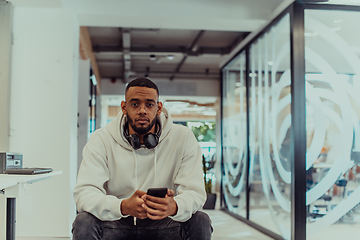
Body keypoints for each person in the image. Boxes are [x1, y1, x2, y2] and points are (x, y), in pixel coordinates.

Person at [72, 77, 212, 240]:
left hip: (165, 223)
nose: (142, 110)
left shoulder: (183, 137)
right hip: (117, 222)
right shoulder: (101, 138)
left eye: (149, 104)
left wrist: (174, 206)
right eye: (135, 104)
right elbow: (84, 193)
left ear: (159, 108)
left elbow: (195, 193)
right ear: (124, 107)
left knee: (200, 220)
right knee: (83, 220)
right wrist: (122, 206)